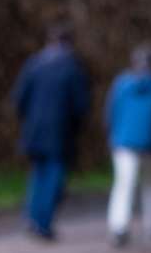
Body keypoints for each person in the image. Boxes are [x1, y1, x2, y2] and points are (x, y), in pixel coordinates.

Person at [11, 24, 92, 242]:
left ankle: (32, 217)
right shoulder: (72, 68)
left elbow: (18, 98)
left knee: (37, 174)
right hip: (60, 132)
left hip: (35, 129)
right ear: (69, 43)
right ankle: (43, 224)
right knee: (54, 178)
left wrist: (29, 120)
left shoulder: (34, 63)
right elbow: (80, 105)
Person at [104, 43, 151, 247]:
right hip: (150, 144)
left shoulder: (122, 83)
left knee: (123, 185)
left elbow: (111, 112)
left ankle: (119, 226)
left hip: (123, 143)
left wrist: (113, 137)